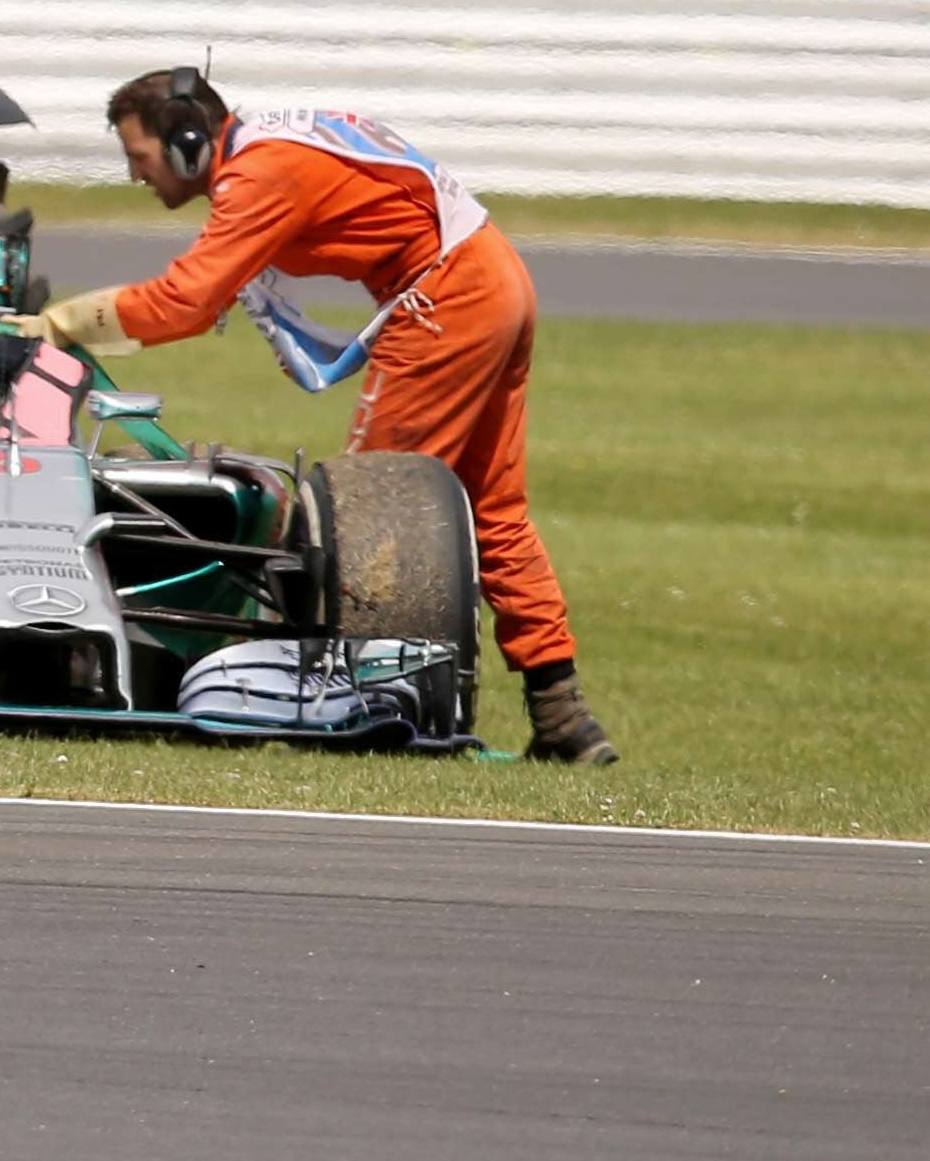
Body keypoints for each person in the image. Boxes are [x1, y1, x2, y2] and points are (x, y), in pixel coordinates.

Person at [31, 75, 615, 763]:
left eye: (139, 155)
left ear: (189, 145)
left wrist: (64, 321)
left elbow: (188, 301)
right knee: (492, 512)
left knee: (364, 508)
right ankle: (563, 715)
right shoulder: (269, 147)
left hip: (446, 297)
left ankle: (367, 711)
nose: (133, 173)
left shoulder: (259, 171)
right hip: (491, 278)